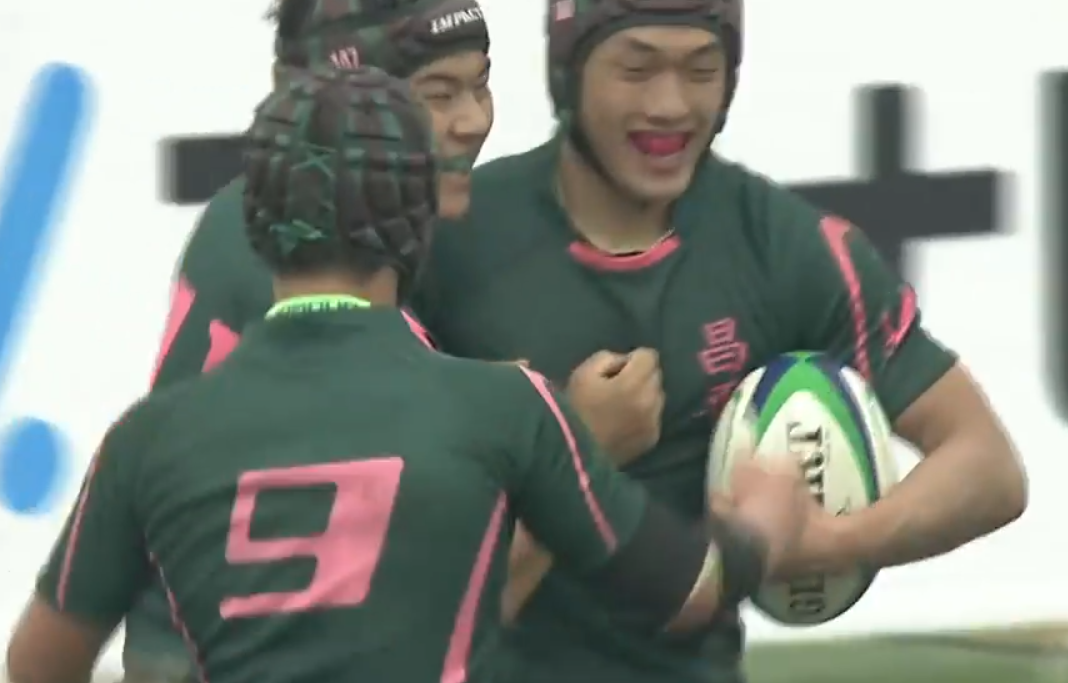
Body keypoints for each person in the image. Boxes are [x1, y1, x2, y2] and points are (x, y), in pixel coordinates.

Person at [7, 65, 810, 683]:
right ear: (417, 223)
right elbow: (689, 588)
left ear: (257, 221)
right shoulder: (505, 408)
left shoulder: (147, 440)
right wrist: (767, 523)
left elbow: (36, 664)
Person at [410, 0, 1029, 682]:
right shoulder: (448, 242)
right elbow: (407, 595)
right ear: (567, 72)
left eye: (702, 69)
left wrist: (825, 542)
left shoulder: (784, 245)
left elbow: (987, 467)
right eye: (637, 68)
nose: (671, 105)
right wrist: (575, 450)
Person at [131, 0, 492, 681]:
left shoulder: (275, 213)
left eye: (480, 85)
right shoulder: (307, 257)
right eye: (439, 94)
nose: (473, 121)